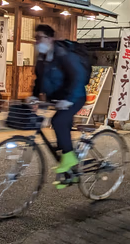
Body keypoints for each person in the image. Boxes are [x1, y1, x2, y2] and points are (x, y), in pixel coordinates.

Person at [31, 24, 88, 188]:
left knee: (58, 122)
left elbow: (78, 77)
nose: (37, 41)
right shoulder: (42, 58)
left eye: (39, 37)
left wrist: (69, 99)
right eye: (36, 38)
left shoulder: (63, 54)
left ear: (50, 38)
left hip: (75, 96)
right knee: (62, 132)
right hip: (57, 99)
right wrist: (33, 97)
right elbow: (38, 81)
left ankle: (69, 161)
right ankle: (71, 174)